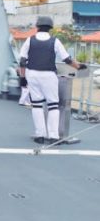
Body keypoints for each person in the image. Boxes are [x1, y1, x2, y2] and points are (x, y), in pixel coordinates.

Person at [19, 16, 86, 144]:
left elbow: (22, 61)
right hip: (48, 75)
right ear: (50, 28)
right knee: (53, 105)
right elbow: (66, 59)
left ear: (37, 27)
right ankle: (54, 136)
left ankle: (40, 135)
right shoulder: (54, 41)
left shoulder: (29, 40)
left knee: (37, 104)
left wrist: (23, 78)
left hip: (32, 74)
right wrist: (79, 66)